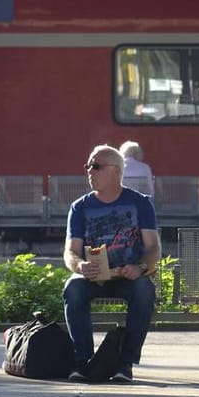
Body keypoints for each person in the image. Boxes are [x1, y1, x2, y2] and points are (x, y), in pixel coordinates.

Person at [62, 143, 160, 382]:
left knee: (144, 289)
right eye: (88, 166)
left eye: (96, 166)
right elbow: (70, 251)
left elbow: (153, 248)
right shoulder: (80, 207)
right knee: (73, 288)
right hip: (94, 275)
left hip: (128, 276)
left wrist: (141, 268)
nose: (89, 171)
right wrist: (80, 266)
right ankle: (83, 361)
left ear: (116, 171)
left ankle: (125, 364)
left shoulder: (140, 203)